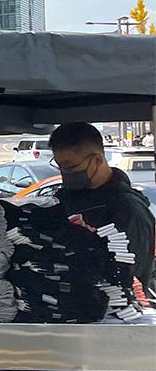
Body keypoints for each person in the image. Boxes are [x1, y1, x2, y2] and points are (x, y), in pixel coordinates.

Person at [50, 122, 155, 293]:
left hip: (113, 309)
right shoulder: (63, 198)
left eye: (69, 167)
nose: (64, 173)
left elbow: (132, 272)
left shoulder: (129, 209)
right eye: (59, 166)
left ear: (97, 160)